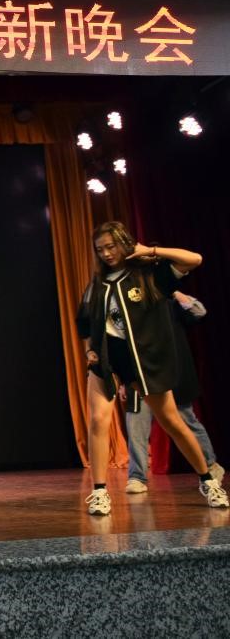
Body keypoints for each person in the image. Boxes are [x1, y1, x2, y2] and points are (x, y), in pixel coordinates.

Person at [78, 221, 227, 515]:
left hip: (145, 360)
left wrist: (152, 251)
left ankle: (208, 481)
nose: (106, 254)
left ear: (125, 243)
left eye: (111, 246)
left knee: (172, 421)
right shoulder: (97, 284)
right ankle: (99, 492)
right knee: (98, 420)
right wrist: (90, 350)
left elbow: (194, 259)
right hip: (109, 360)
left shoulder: (149, 274)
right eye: (100, 249)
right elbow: (84, 322)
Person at [124, 291, 224, 493]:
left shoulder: (168, 300)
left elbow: (198, 312)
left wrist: (173, 291)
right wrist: (122, 379)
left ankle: (210, 465)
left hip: (172, 372)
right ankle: (137, 477)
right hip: (140, 374)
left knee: (187, 420)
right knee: (136, 425)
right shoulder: (129, 302)